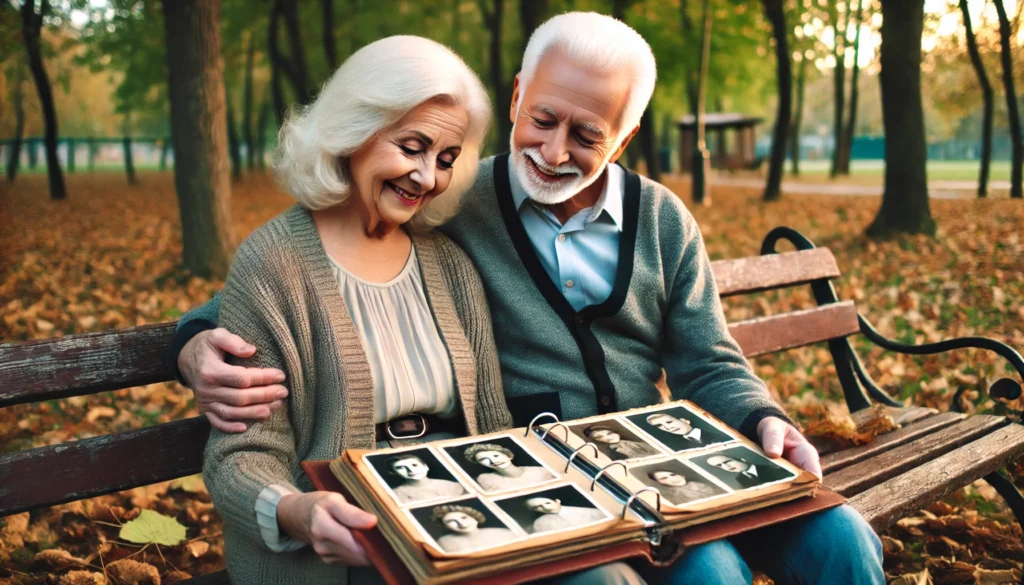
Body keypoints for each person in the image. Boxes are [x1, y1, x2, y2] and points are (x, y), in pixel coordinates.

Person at [172, 13, 883, 585]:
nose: (551, 150)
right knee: (713, 571)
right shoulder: (454, 198)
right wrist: (193, 339)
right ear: (517, 97)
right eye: (541, 118)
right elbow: (305, 271)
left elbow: (709, 361)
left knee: (844, 535)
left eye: (586, 134)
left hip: (667, 466)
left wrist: (763, 417)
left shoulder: (655, 220)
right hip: (538, 487)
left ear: (625, 137)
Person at [199, 36, 515, 585]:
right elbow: (241, 455)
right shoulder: (273, 263)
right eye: (411, 146)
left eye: (445, 159)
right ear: (353, 131)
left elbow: (493, 427)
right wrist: (299, 512)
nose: (427, 178)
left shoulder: (451, 267)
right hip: (349, 539)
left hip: (462, 523)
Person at [463, 443, 555, 492]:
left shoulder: (542, 472)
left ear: (508, 455)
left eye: (496, 456)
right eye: (484, 460)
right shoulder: (486, 479)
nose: (494, 461)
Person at [431, 505, 516, 553]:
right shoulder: (445, 541)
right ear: (446, 526)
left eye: (464, 518)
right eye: (451, 521)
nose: (461, 524)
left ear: (474, 518)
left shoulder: (504, 533)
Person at [387, 454, 466, 503]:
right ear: (393, 473)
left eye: (414, 465)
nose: (411, 470)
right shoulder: (395, 494)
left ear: (425, 466)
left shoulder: (453, 486)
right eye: (400, 468)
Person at [523, 496, 608, 534]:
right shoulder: (540, 523)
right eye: (537, 507)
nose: (545, 507)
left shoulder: (584, 511)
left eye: (547, 503)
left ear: (557, 501)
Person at [705, 454, 792, 489]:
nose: (726, 467)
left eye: (727, 462)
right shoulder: (739, 480)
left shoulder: (772, 468)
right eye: (719, 465)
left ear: (742, 459)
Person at [583, 425, 659, 460]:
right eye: (600, 437)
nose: (608, 437)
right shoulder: (614, 449)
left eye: (609, 433)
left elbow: (651, 449)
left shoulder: (624, 442)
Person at [646, 469, 720, 504]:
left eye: (673, 474)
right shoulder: (667, 495)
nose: (673, 478)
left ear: (682, 475)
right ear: (659, 482)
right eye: (664, 478)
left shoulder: (699, 485)